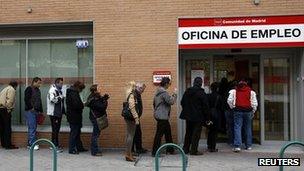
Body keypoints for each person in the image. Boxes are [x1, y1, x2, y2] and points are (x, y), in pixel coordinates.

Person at [179, 77, 209, 155]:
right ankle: (194, 150)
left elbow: (182, 102)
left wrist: (187, 109)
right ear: (201, 83)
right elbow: (205, 106)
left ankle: (185, 149)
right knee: (196, 134)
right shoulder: (202, 93)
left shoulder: (187, 91)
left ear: (194, 82)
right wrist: (207, 117)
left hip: (188, 116)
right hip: (198, 117)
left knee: (188, 132)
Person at [227, 78, 258, 152]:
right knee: (248, 128)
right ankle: (248, 145)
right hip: (248, 111)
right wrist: (253, 111)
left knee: (237, 127)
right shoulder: (251, 92)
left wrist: (233, 107)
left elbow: (229, 100)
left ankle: (237, 146)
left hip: (237, 110)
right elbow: (254, 103)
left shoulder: (233, 91)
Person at [151, 77, 177, 157]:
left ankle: (170, 150)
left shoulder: (157, 92)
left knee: (168, 133)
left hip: (160, 115)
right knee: (159, 134)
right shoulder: (164, 93)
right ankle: (155, 152)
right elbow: (171, 101)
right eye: (169, 84)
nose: (169, 85)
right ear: (166, 84)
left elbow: (154, 103)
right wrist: (175, 94)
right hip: (162, 116)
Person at [86, 84, 109, 156]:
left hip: (97, 117)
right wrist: (105, 100)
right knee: (95, 135)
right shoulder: (92, 99)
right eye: (99, 88)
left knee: (97, 134)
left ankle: (96, 149)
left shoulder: (96, 97)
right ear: (95, 90)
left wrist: (104, 98)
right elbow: (102, 107)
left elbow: (100, 103)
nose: (101, 89)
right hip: (96, 118)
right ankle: (94, 151)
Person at [66, 81, 87, 154]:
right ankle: (71, 149)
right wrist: (82, 105)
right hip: (74, 116)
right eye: (81, 89)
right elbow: (76, 105)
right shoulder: (73, 93)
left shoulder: (72, 92)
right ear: (78, 88)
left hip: (74, 116)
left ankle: (79, 147)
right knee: (74, 133)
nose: (81, 91)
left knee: (77, 133)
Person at [46, 78, 65, 153]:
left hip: (58, 113)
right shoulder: (52, 90)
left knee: (56, 130)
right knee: (55, 129)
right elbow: (52, 99)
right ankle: (54, 146)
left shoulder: (59, 90)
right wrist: (60, 97)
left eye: (62, 83)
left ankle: (55, 144)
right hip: (54, 113)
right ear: (56, 83)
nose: (62, 85)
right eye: (60, 83)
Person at [24, 77, 43, 150]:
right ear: (34, 82)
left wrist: (41, 110)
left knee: (33, 127)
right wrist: (31, 108)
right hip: (30, 111)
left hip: (36, 111)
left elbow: (39, 100)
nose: (40, 84)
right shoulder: (29, 89)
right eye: (39, 83)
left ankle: (30, 143)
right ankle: (32, 144)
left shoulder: (38, 90)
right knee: (32, 127)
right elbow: (26, 99)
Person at [123, 81, 140, 162]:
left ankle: (128, 153)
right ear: (132, 86)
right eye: (135, 86)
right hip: (131, 118)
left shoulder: (128, 94)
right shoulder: (131, 95)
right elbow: (132, 107)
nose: (136, 87)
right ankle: (128, 155)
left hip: (128, 117)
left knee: (128, 135)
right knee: (130, 135)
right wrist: (136, 118)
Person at [0, 81, 19, 149]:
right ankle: (8, 145)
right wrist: (9, 109)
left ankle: (3, 144)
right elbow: (10, 100)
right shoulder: (12, 89)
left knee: (2, 128)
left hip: (1, 109)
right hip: (5, 110)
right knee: (7, 128)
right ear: (15, 86)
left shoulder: (5, 89)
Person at [132, 82, 148, 154]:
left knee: (138, 133)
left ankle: (139, 148)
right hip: (134, 118)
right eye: (143, 90)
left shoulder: (137, 94)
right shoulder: (134, 94)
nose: (143, 92)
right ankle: (132, 150)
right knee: (133, 134)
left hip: (136, 117)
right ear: (139, 88)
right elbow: (133, 107)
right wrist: (136, 117)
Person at [207, 82, 223, 152]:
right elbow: (221, 107)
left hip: (209, 115)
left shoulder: (207, 96)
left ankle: (209, 145)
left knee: (210, 130)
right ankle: (213, 147)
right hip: (216, 115)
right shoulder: (219, 96)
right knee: (214, 132)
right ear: (218, 88)